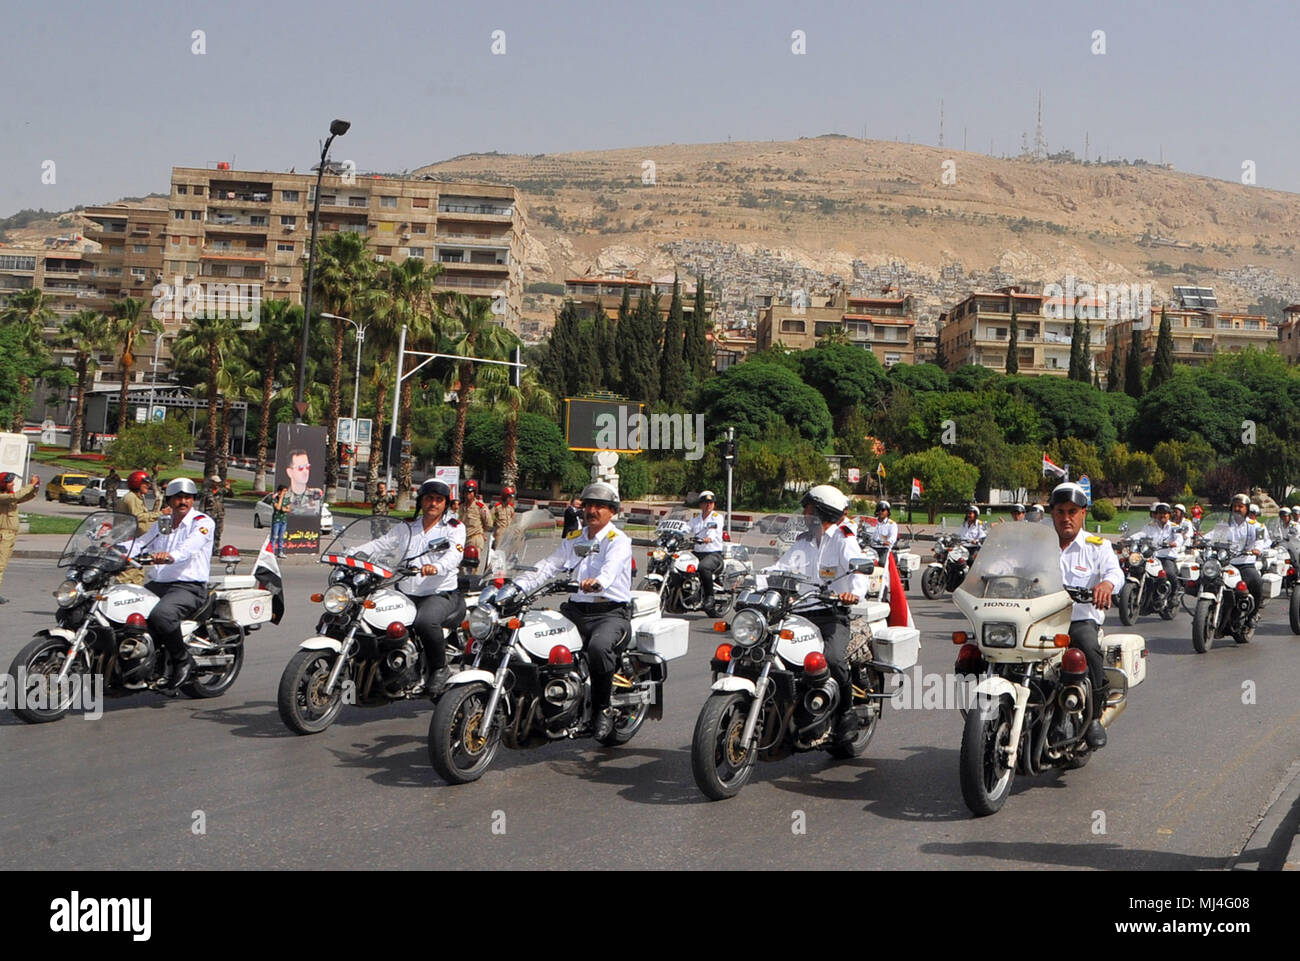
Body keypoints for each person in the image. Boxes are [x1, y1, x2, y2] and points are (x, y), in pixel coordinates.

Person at [513, 482, 632, 741]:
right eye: (589, 505)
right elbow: (549, 564)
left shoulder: (618, 541)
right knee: (534, 638)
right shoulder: (574, 538)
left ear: (612, 511)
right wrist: (518, 585)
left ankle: (603, 709)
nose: (593, 510)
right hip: (576, 611)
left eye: (600, 506)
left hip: (609, 613)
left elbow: (610, 570)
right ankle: (545, 706)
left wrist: (598, 582)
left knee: (599, 649)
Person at [761, 485, 868, 743]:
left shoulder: (843, 538)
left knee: (830, 659)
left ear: (821, 511)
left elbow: (859, 572)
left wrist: (852, 593)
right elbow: (780, 568)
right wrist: (751, 579)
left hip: (832, 614)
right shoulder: (803, 542)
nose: (804, 513)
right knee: (764, 649)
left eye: (808, 508)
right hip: (799, 613)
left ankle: (846, 713)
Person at [1049, 481, 1124, 751]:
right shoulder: (1040, 544)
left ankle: (1093, 717)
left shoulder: (1097, 546)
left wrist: (1106, 585)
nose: (1066, 518)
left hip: (1078, 619)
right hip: (1039, 620)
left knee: (1088, 647)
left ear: (1083, 513)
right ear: (1052, 514)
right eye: (1060, 511)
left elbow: (1116, 573)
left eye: (1072, 511)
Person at [129, 477, 212, 689]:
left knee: (162, 615)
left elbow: (188, 548)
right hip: (159, 585)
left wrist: (169, 556)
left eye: (187, 497)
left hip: (188, 587)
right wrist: (113, 547)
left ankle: (182, 660)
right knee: (127, 609)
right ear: (169, 500)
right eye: (178, 497)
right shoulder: (162, 523)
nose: (183, 501)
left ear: (193, 500)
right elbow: (140, 543)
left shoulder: (202, 523)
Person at [395, 479, 466, 695]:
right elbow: (382, 544)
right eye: (429, 498)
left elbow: (455, 553)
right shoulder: (407, 526)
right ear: (421, 501)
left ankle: (439, 668)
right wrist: (352, 554)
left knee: (425, 622)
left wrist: (437, 566)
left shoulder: (454, 528)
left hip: (439, 593)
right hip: (407, 590)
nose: (433, 503)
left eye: (438, 499)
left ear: (446, 503)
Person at [0, 471, 40, 605]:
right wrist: (30, 484)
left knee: (3, 565)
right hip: (3, 535)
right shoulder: (3, 497)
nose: (13, 484)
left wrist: (35, 488)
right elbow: (17, 496)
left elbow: (24, 497)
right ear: (4, 483)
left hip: (10, 535)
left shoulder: (9, 496)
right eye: (10, 482)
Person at [120, 471, 167, 586]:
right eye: (145, 483)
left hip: (137, 542)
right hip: (129, 542)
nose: (148, 486)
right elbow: (138, 516)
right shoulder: (131, 497)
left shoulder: (138, 497)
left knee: (138, 573)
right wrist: (160, 513)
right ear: (137, 483)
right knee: (127, 574)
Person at [1225, 493, 1265, 627]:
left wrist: (1257, 549)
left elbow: (1260, 540)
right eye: (1235, 506)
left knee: (1257, 582)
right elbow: (1213, 535)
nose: (1237, 509)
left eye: (1240, 506)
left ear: (1247, 509)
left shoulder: (1254, 525)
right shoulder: (1225, 524)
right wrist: (1199, 540)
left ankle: (1253, 615)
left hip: (1245, 563)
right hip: (1228, 563)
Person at [688, 490, 727, 616]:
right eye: (706, 502)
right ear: (701, 504)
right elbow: (686, 527)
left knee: (703, 567)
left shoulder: (717, 518)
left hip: (713, 554)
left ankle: (710, 597)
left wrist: (708, 538)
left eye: (711, 502)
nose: (709, 505)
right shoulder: (696, 519)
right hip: (697, 552)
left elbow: (713, 531)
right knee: (679, 562)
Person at [1139, 502, 1182, 612]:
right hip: (1153, 555)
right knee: (1139, 569)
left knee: (1169, 572)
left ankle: (1174, 594)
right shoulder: (1150, 526)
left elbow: (1179, 538)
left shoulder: (1174, 527)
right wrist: (1128, 538)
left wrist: (1174, 543)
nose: (1162, 515)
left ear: (1169, 514)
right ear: (1156, 514)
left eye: (1165, 513)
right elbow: (1141, 534)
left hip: (1167, 556)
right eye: (1160, 513)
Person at [459, 479, 491, 573]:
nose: (468, 494)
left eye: (470, 492)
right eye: (466, 491)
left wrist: (481, 532)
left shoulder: (480, 506)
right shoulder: (461, 506)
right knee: (458, 562)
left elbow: (488, 523)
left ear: (474, 492)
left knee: (472, 565)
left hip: (475, 538)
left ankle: (471, 584)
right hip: (463, 538)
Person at [283, 449, 324, 514]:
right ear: (290, 472)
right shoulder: (282, 497)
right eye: (300, 468)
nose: (305, 471)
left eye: (307, 467)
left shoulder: (317, 495)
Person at [867, 499, 898, 564]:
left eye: (883, 510)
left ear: (888, 512)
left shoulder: (891, 524)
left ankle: (884, 574)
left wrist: (888, 542)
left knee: (881, 563)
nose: (881, 512)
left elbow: (893, 537)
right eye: (879, 509)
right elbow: (867, 533)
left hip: (883, 549)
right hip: (872, 548)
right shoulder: (872, 522)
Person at [270, 484, 290, 557]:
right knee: (274, 536)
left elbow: (289, 508)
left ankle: (280, 552)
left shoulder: (286, 499)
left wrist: (286, 509)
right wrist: (280, 498)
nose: (285, 493)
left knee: (281, 537)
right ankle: (272, 552)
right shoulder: (275, 499)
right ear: (279, 491)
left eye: (286, 491)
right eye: (283, 491)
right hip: (276, 521)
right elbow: (278, 507)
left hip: (283, 521)